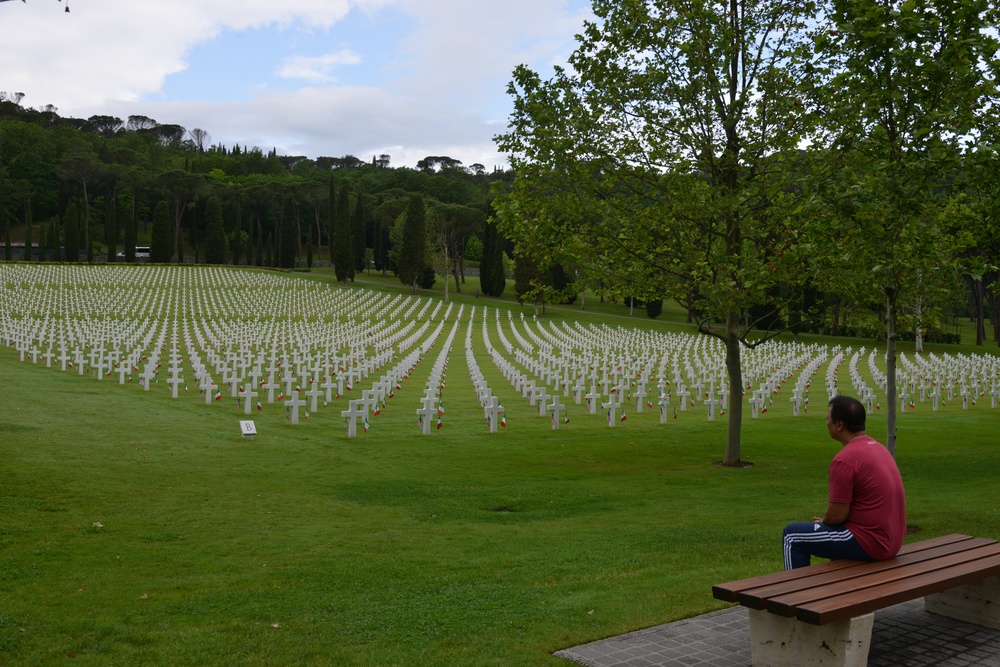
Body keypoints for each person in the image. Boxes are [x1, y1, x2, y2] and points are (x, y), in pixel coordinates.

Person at [782, 395, 906, 570]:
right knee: (826, 534)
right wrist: (826, 523)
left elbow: (837, 515)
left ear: (839, 425)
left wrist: (824, 522)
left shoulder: (845, 460)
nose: (826, 423)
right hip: (891, 541)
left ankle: (792, 595)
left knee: (792, 536)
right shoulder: (879, 448)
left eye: (828, 419)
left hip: (872, 543)